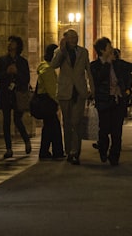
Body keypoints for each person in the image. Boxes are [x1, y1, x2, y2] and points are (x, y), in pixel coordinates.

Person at [89, 37, 132, 165]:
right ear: (102, 50)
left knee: (117, 131)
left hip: (118, 101)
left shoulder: (118, 63)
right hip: (104, 102)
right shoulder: (94, 66)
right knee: (104, 129)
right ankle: (103, 150)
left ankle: (114, 156)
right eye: (109, 47)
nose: (111, 49)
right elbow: (98, 79)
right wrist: (107, 64)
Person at [49, 28, 93, 165]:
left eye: (76, 37)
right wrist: (62, 50)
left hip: (79, 91)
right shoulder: (59, 52)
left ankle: (75, 152)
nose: (74, 40)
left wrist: (92, 88)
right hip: (65, 91)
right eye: (71, 37)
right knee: (67, 123)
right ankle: (68, 150)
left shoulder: (83, 52)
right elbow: (53, 65)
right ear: (65, 39)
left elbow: (89, 72)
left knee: (76, 122)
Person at [0, 35, 32, 158]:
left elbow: (26, 78)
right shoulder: (2, 60)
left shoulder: (22, 62)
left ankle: (26, 139)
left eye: (12, 43)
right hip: (5, 93)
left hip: (18, 94)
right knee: (6, 121)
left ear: (18, 46)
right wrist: (6, 72)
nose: (10, 44)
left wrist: (17, 73)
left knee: (17, 119)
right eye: (9, 42)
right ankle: (8, 148)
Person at [35, 43, 65, 160]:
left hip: (46, 100)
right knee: (54, 126)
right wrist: (58, 101)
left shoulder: (45, 67)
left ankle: (45, 152)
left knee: (48, 127)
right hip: (47, 101)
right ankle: (57, 152)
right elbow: (51, 89)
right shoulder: (48, 69)